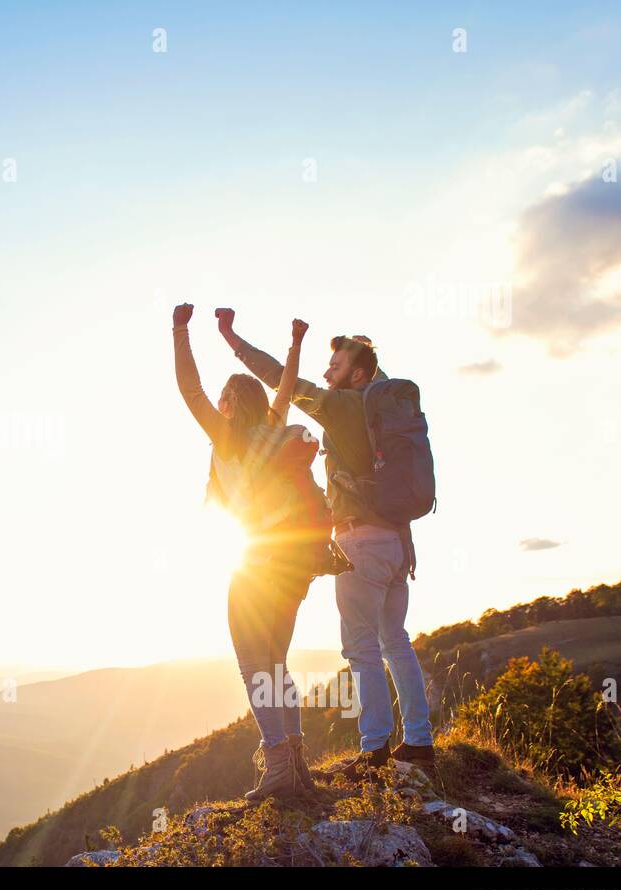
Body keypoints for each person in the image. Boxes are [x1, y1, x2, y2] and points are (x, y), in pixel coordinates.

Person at [217, 307, 435, 778]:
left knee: (360, 647)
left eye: (334, 367)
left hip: (361, 541)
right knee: (395, 640)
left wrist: (232, 339)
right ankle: (418, 741)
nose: (325, 373)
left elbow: (280, 379)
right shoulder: (386, 417)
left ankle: (374, 748)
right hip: (398, 543)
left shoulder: (343, 406)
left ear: (357, 373)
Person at [171, 303, 331, 800]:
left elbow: (188, 388)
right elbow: (285, 387)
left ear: (227, 405)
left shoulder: (228, 437)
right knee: (278, 664)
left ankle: (279, 763)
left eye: (220, 399)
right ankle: (297, 762)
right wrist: (296, 345)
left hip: (255, 567)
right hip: (296, 567)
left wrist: (179, 330)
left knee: (253, 665)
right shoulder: (276, 427)